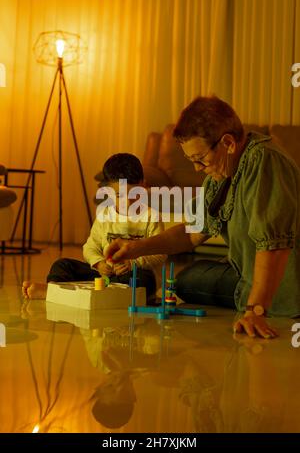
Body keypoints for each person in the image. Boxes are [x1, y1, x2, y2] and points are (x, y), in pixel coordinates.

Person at [105, 96, 300, 338]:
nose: (197, 168)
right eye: (191, 161)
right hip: (246, 273)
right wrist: (137, 247)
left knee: (193, 282)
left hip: (289, 284)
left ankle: (254, 297)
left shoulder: (264, 160)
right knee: (186, 280)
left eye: (200, 159)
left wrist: (255, 310)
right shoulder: (219, 175)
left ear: (228, 142)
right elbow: (191, 233)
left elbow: (275, 246)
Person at [22, 153, 166, 302]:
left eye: (134, 194)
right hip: (104, 277)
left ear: (143, 185)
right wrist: (98, 263)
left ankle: (85, 296)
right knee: (62, 265)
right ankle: (53, 291)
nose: (128, 202)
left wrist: (132, 263)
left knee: (144, 278)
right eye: (119, 196)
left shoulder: (151, 217)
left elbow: (160, 253)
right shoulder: (105, 215)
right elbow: (90, 247)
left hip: (133, 276)